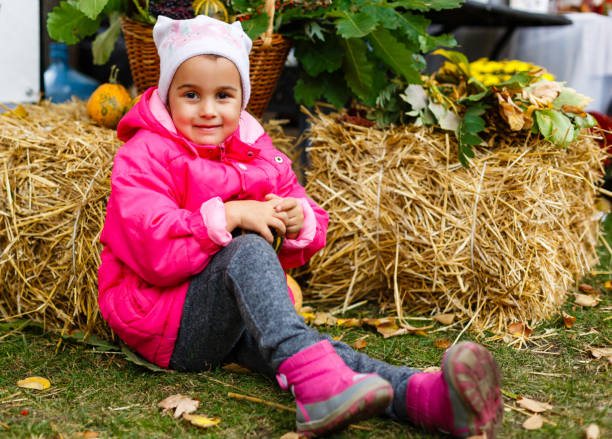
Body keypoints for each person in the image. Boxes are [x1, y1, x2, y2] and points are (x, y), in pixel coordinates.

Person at [97, 14, 503, 438]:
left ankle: (431, 401)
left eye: (223, 95)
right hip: (165, 322)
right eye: (191, 95)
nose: (208, 110)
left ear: (242, 99)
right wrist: (233, 215)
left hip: (227, 314)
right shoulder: (144, 154)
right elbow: (148, 240)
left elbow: (306, 211)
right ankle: (318, 391)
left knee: (316, 352)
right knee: (250, 252)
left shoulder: (257, 153)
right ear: (167, 96)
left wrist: (296, 218)